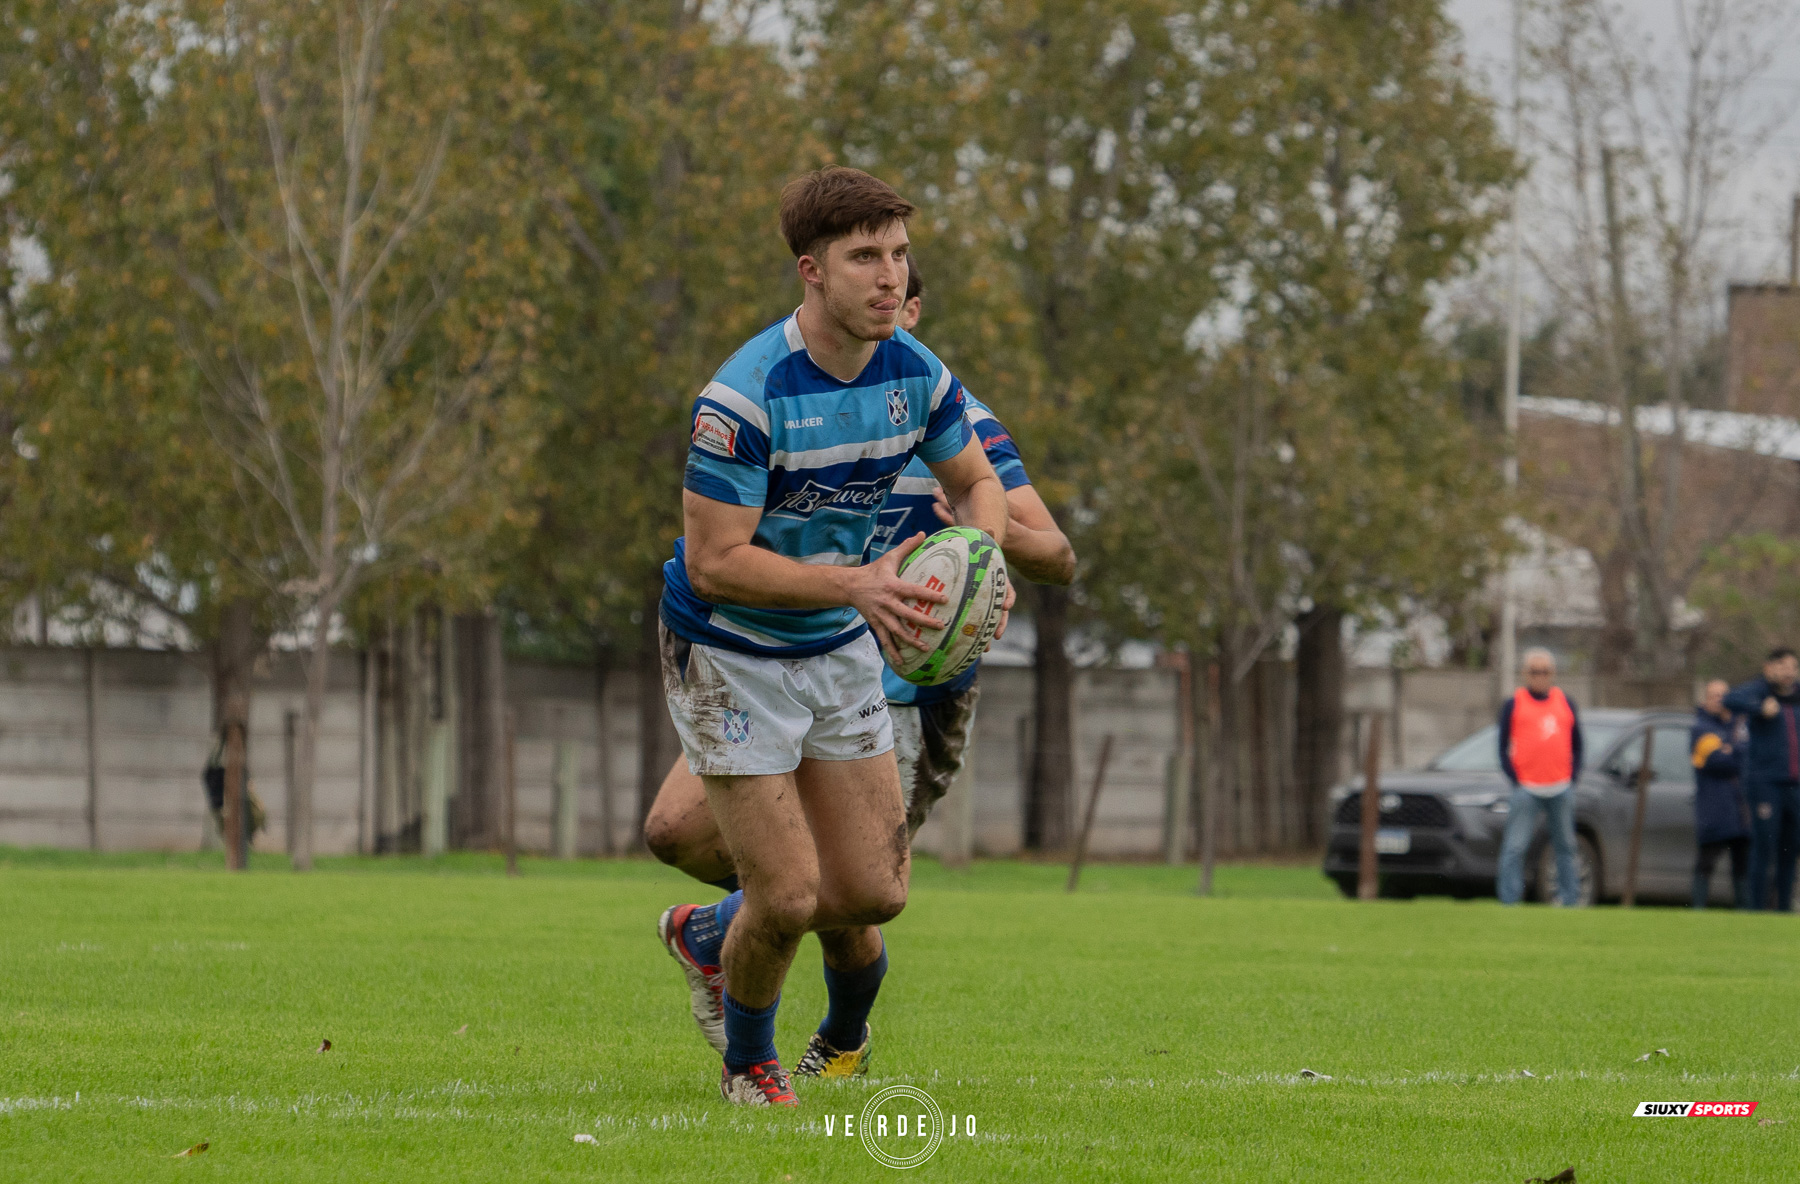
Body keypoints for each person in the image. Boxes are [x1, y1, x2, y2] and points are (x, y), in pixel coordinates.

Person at [645, 255, 1075, 1080]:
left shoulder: (952, 417)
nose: (890, 312)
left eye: (902, 290)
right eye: (873, 279)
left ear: (913, 313)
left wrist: (982, 554)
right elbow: (717, 554)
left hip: (907, 692)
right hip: (777, 652)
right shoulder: (780, 397)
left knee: (853, 892)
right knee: (681, 834)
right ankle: (724, 933)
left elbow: (1057, 553)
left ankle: (833, 1035)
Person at [1495, 648, 1586, 906]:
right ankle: (1510, 900)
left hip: (1560, 787)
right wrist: (1515, 778)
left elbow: (1578, 744)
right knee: (1515, 846)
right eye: (1534, 672)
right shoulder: (1514, 703)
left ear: (1552, 674)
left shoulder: (1565, 702)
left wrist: (1573, 776)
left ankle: (1570, 900)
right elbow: (1502, 746)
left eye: (1544, 672)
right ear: (1525, 674)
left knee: (1566, 847)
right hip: (1527, 788)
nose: (1540, 677)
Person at [1723, 648, 1800, 911]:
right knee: (1764, 843)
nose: (1787, 671)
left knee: (1791, 848)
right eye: (1781, 665)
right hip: (1765, 782)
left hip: (1795, 784)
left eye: (1792, 666)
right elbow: (1730, 699)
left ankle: (1783, 909)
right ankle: (1756, 910)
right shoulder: (1760, 691)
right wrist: (1759, 708)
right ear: (1769, 668)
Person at [1689, 679, 1751, 910]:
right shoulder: (1700, 728)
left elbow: (1747, 757)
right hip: (1713, 807)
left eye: (1723, 694)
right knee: (1706, 862)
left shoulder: (1740, 725)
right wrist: (1736, 750)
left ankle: (1746, 915)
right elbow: (1716, 761)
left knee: (1742, 865)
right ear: (1705, 699)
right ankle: (1698, 911)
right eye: (1713, 695)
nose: (1719, 699)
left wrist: (1731, 749)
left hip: (1740, 809)